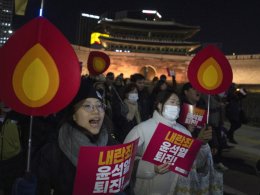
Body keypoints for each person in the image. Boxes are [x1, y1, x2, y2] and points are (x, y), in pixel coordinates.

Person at [33, 77, 118, 195]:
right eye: (87, 106)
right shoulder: (52, 153)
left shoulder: (113, 146)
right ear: (73, 115)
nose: (96, 111)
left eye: (99, 106)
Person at [124, 90, 217, 195]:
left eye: (178, 104)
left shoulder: (184, 132)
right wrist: (151, 168)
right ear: (159, 105)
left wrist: (202, 144)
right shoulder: (142, 129)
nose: (176, 107)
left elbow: (195, 163)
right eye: (172, 102)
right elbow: (125, 161)